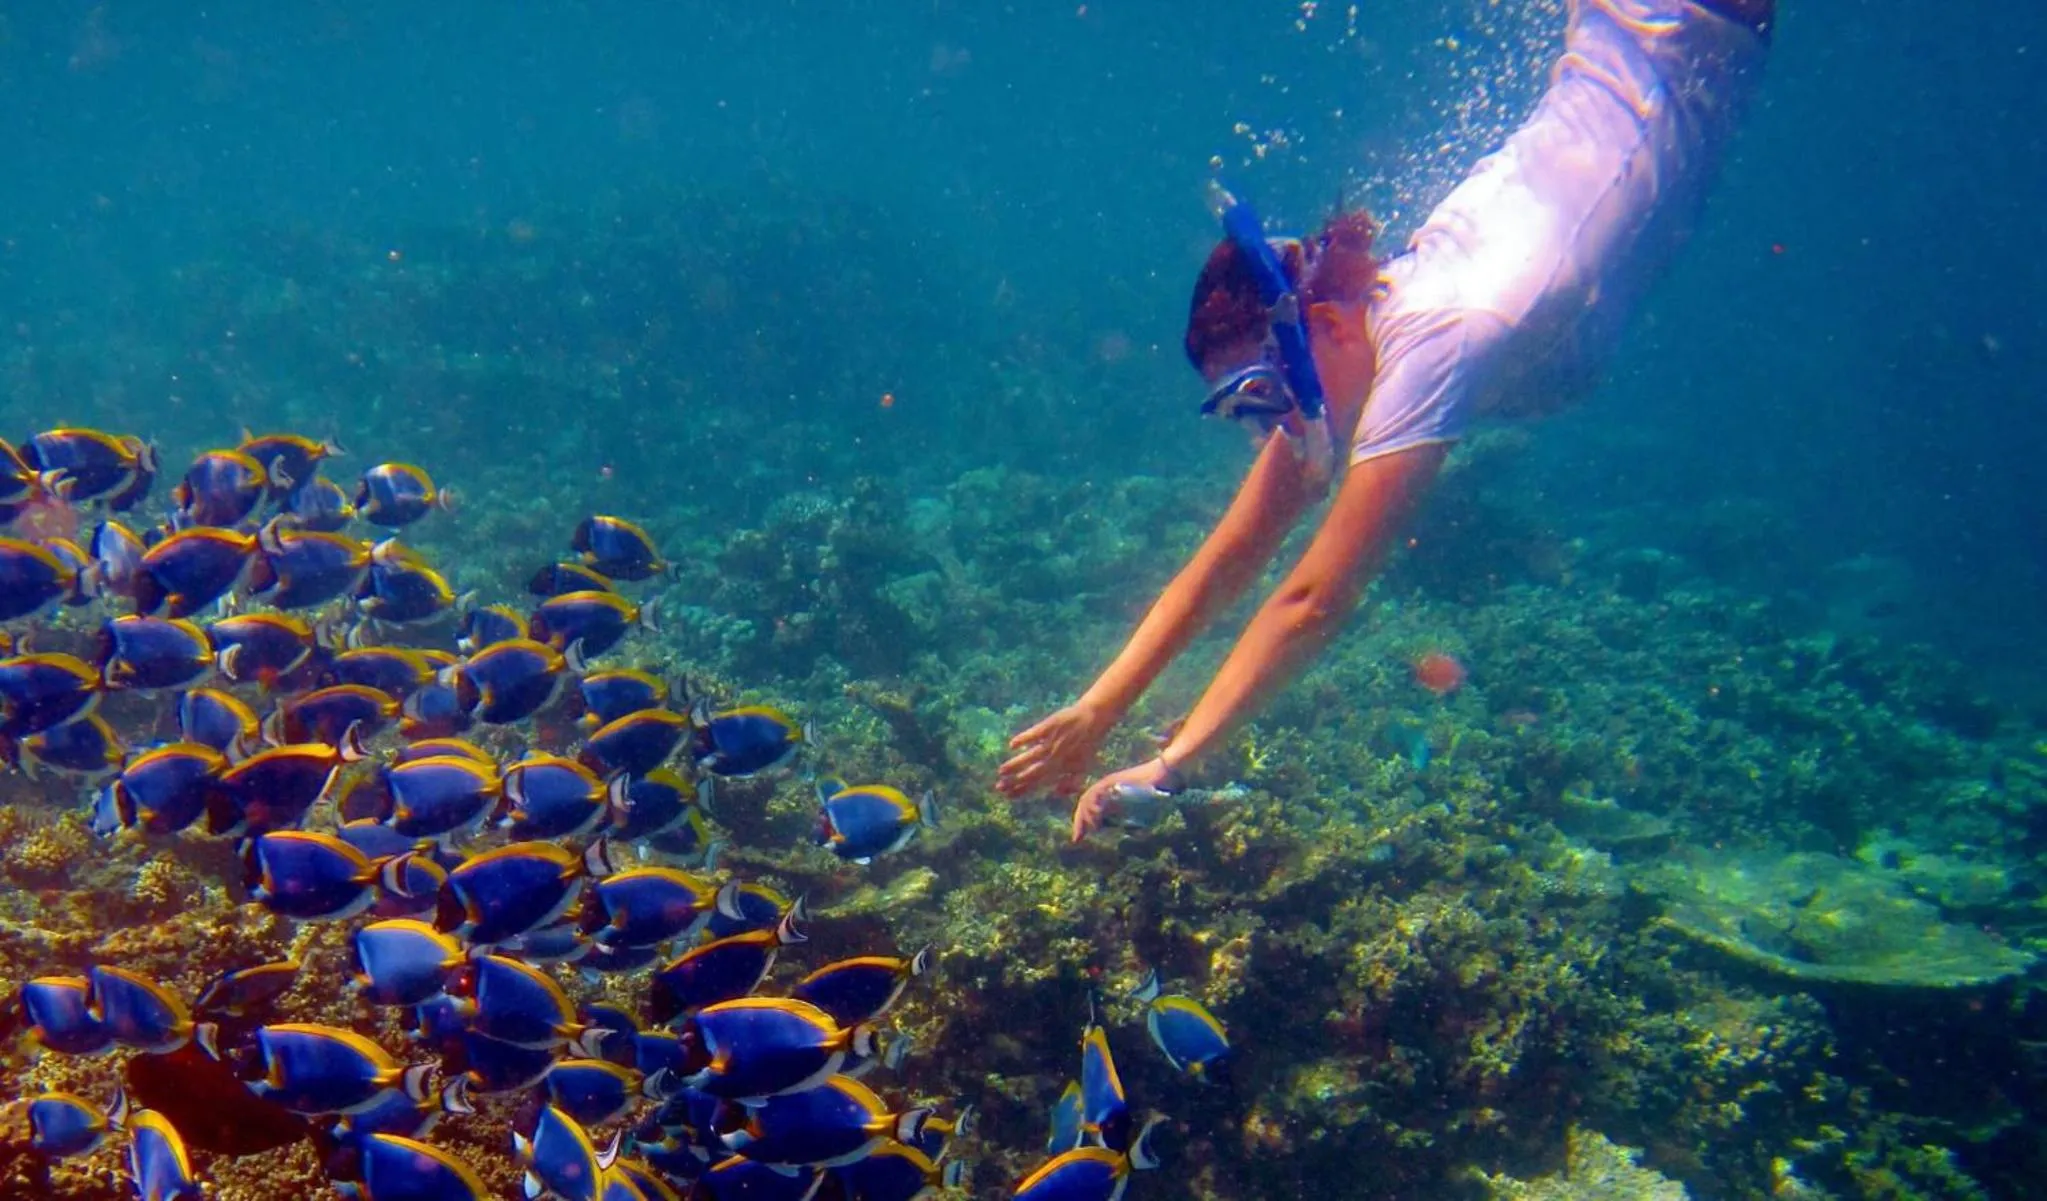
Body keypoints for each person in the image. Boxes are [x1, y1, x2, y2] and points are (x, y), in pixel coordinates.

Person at [996, 0, 1777, 840]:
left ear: (1322, 328)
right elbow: (1232, 554)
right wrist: (1097, 709)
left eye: (1265, 391)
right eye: (1246, 410)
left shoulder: (1434, 339)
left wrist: (1172, 764)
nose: (1273, 429)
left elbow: (1313, 596)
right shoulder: (1349, 337)